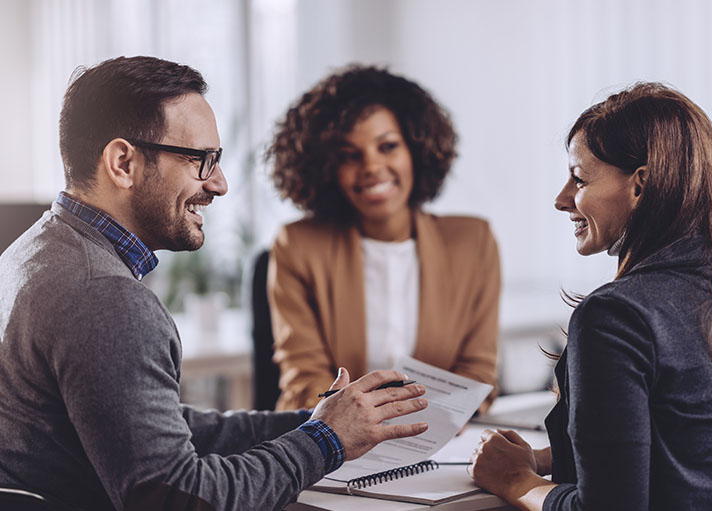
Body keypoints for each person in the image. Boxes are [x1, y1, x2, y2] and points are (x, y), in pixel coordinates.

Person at [0, 56, 430, 511]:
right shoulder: (105, 296)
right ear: (123, 162)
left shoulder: (31, 253)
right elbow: (181, 498)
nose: (220, 184)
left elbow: (150, 426)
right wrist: (326, 441)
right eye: (201, 160)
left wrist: (315, 421)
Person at [468, 83, 712, 510]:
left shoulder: (616, 316)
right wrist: (542, 460)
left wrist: (516, 481)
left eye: (579, 178)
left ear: (640, 186)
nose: (561, 199)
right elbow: (706, 446)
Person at [265, 65, 501, 412]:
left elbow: (477, 371)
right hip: (331, 443)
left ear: (415, 150)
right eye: (349, 155)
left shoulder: (472, 242)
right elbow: (305, 379)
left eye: (387, 146)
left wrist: (422, 425)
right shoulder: (298, 246)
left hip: (436, 442)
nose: (372, 167)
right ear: (328, 167)